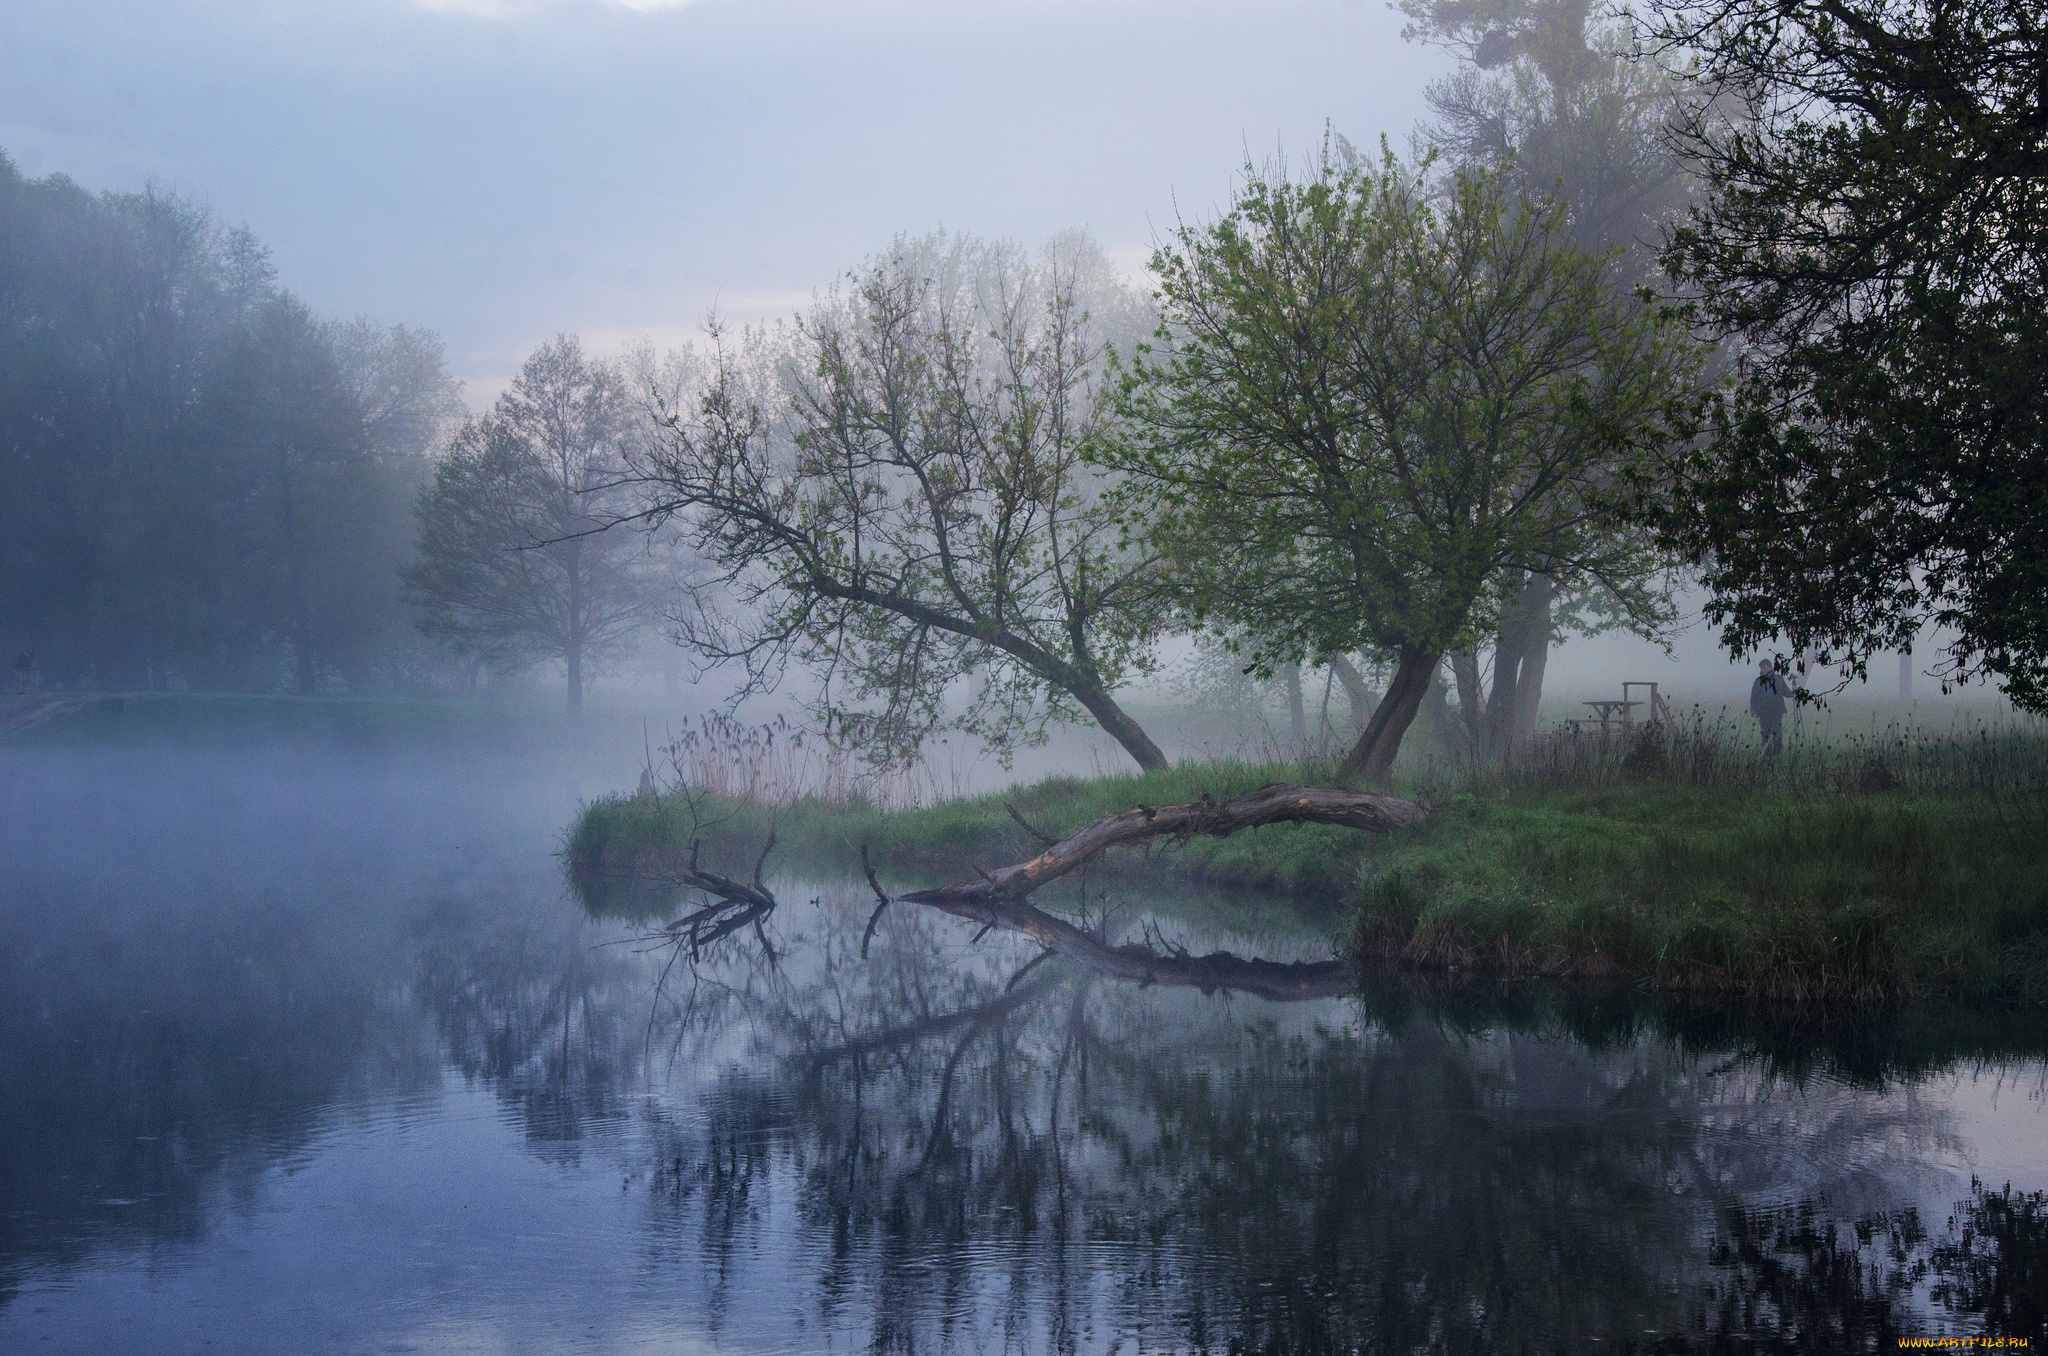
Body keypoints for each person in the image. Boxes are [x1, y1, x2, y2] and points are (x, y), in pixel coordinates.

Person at [1748, 658, 1791, 756]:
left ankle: (1778, 754)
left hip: (1777, 709)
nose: (1763, 670)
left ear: (1770, 667)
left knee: (1776, 732)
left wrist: (1795, 694)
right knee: (1765, 733)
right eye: (1762, 668)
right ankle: (1767, 754)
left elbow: (1785, 691)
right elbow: (1754, 696)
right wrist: (1753, 709)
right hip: (1763, 711)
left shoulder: (1778, 679)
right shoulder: (1758, 681)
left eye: (1765, 668)